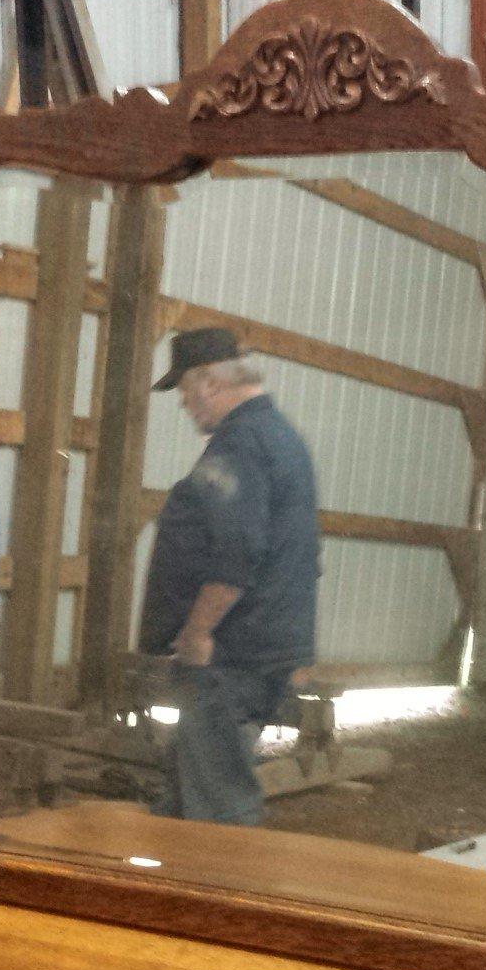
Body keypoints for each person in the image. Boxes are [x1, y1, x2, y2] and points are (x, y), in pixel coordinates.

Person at [140, 327, 319, 826]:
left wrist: (198, 632)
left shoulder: (240, 444)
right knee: (186, 799)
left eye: (183, 392)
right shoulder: (281, 437)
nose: (184, 405)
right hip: (259, 651)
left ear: (207, 384)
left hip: (229, 658)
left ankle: (229, 898)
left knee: (220, 811)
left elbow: (238, 554)